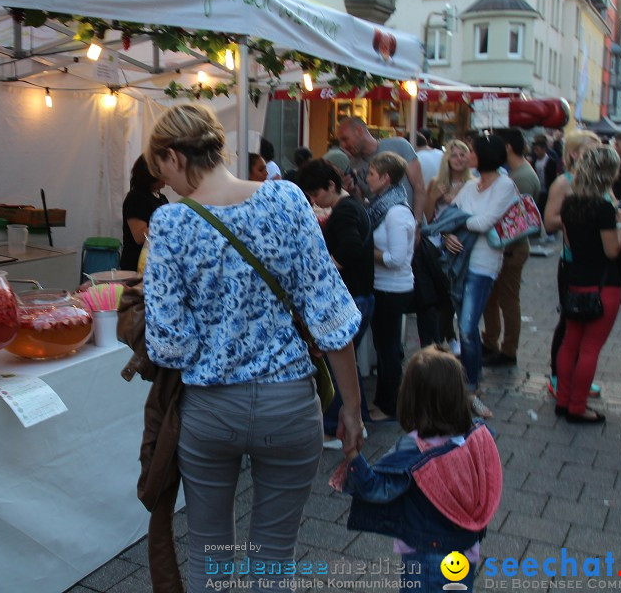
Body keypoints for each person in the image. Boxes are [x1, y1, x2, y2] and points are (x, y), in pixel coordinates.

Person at [142, 104, 363, 590]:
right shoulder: (286, 199)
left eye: (163, 173)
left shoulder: (170, 224)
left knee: (209, 552)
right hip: (289, 405)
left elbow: (168, 344)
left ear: (174, 156)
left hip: (209, 411)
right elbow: (331, 312)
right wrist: (352, 407)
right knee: (272, 558)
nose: (167, 186)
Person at [340, 348, 502, 590]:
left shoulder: (413, 449)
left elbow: (375, 488)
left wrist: (352, 454)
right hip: (466, 552)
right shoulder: (475, 438)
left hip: (426, 556)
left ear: (409, 398)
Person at [297, 159, 374, 447]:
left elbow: (351, 247)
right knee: (348, 364)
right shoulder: (352, 205)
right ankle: (359, 419)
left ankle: (334, 428)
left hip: (353, 295)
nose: (314, 201)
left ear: (332, 185)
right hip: (362, 294)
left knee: (336, 363)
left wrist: (325, 267)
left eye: (316, 194)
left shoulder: (344, 212)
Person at [440, 134, 517, 418]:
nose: (468, 154)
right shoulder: (472, 186)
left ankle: (471, 387)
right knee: (464, 326)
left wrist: (457, 224)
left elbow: (486, 221)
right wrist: (449, 233)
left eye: (472, 151)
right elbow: (449, 217)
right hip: (459, 260)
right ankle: (468, 385)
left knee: (469, 328)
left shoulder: (505, 185)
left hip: (484, 263)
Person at [556, 145, 621, 423]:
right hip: (603, 285)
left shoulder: (570, 203)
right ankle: (577, 407)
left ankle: (563, 401)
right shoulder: (603, 208)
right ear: (608, 173)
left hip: (576, 280)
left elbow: (569, 243)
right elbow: (612, 251)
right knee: (589, 349)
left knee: (570, 344)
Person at [543, 130, 602, 396]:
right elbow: (549, 222)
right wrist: (581, 219)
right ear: (574, 154)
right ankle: (557, 375)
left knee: (589, 324)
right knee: (569, 320)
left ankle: (579, 376)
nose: (597, 153)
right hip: (572, 261)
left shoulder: (599, 183)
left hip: (597, 261)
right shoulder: (564, 183)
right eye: (592, 149)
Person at [482, 128, 541, 367]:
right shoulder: (518, 173)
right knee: (494, 298)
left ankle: (508, 350)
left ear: (507, 147)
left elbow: (516, 221)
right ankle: (492, 342)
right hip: (507, 248)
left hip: (511, 248)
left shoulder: (521, 177)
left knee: (507, 300)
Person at [366, 152, 416, 422]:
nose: (368, 178)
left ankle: (390, 405)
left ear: (386, 178)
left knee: (388, 349)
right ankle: (386, 400)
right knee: (385, 346)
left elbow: (396, 259)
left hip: (393, 289)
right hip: (384, 287)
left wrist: (368, 252)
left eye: (372, 174)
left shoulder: (395, 212)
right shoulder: (384, 204)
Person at [421, 139, 476, 353]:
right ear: (447, 159)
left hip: (463, 243)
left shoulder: (473, 184)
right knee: (444, 296)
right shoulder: (436, 182)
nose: (460, 158)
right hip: (439, 243)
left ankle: (460, 337)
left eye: (463, 154)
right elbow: (427, 217)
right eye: (455, 155)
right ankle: (449, 338)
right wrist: (433, 197)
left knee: (458, 294)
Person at [336, 116, 427, 222]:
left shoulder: (399, 145)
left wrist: (417, 222)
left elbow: (419, 186)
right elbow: (364, 204)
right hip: (382, 230)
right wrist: (352, 191)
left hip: (411, 226)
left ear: (359, 131)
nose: (343, 145)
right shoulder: (353, 165)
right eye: (341, 141)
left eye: (345, 139)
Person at [120, 155, 168, 271]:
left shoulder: (161, 198)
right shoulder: (136, 198)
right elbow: (140, 237)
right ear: (149, 175)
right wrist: (166, 223)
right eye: (161, 174)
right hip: (137, 265)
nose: (165, 178)